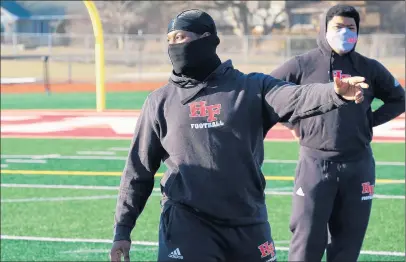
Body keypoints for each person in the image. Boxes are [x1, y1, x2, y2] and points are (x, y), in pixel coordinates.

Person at [110, 9, 368, 262]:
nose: (174, 45)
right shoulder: (159, 101)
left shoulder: (251, 87)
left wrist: (333, 94)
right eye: (170, 39)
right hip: (187, 223)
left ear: (208, 39)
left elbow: (297, 96)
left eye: (182, 37)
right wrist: (122, 229)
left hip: (248, 221)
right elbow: (138, 171)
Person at [270, 4, 405, 262]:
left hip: (359, 165)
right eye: (338, 27)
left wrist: (369, 120)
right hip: (316, 165)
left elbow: (399, 99)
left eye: (351, 28)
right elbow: (269, 94)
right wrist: (293, 123)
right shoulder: (302, 64)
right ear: (324, 29)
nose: (345, 32)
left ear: (358, 31)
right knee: (306, 243)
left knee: (348, 244)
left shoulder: (369, 67)